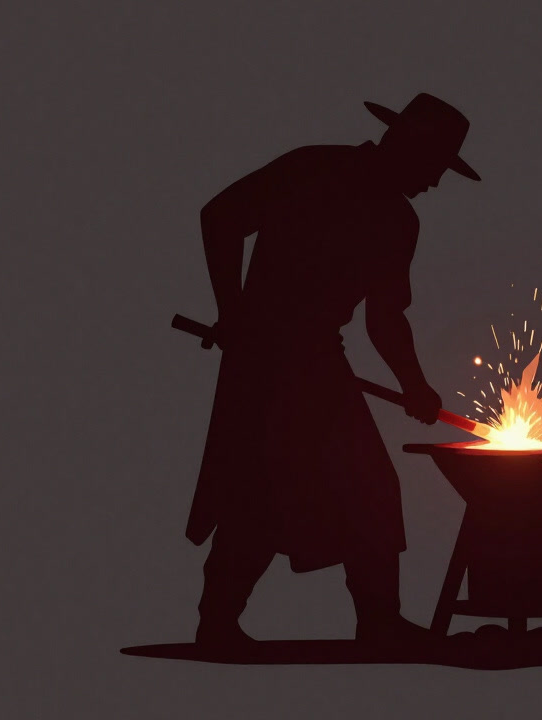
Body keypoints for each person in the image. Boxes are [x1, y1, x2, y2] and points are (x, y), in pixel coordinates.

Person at [186, 93, 480, 647]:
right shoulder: (310, 168)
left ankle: (371, 620)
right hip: (265, 360)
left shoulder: (398, 221)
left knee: (336, 483)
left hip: (318, 359)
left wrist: (414, 386)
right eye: (436, 166)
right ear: (407, 147)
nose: (436, 182)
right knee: (272, 485)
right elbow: (220, 217)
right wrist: (234, 311)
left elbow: (385, 319)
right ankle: (228, 622)